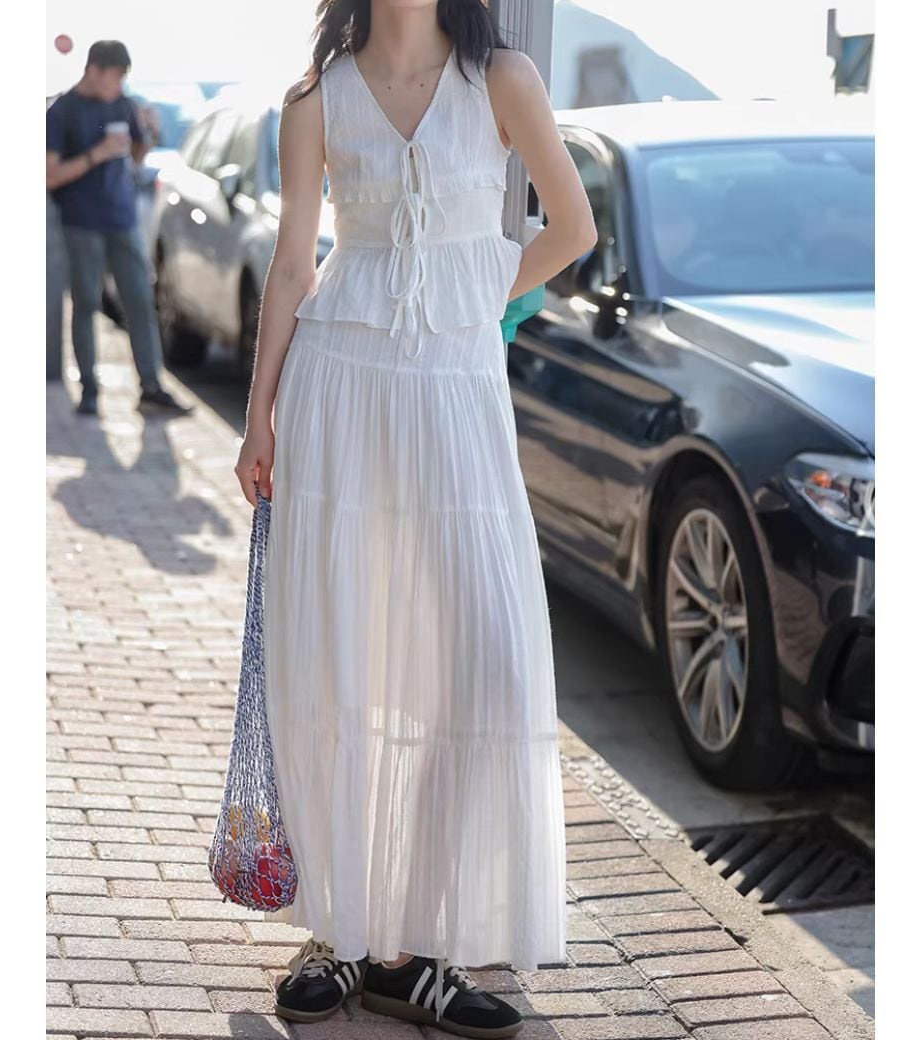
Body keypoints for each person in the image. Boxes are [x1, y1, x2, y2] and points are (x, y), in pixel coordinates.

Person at [233, 2, 597, 1036]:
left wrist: (468, 290)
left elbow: (570, 228)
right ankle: (342, 930)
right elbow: (294, 261)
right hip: (335, 387)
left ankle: (422, 941)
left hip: (456, 395)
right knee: (338, 658)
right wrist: (259, 415)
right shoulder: (315, 99)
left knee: (478, 663)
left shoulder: (502, 79)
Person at [45, 39, 192, 417]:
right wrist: (98, 153)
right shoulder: (62, 111)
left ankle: (152, 388)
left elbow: (137, 156)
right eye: (114, 77)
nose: (119, 86)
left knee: (140, 301)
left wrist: (149, 134)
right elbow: (50, 175)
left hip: (123, 218)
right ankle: (89, 391)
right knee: (86, 304)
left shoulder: (123, 103)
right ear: (93, 71)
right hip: (81, 222)